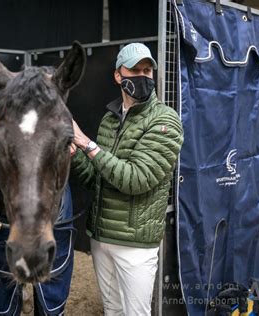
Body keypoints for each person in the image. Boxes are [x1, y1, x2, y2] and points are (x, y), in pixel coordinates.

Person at [70, 43, 184, 315]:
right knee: (112, 310)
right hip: (101, 238)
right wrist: (73, 153)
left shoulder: (165, 121)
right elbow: (96, 179)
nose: (142, 76)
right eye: (134, 70)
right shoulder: (109, 120)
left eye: (147, 70)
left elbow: (137, 179)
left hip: (135, 246)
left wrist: (87, 144)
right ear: (118, 76)